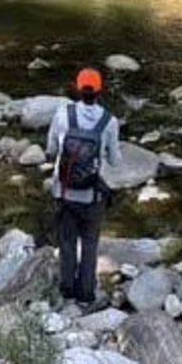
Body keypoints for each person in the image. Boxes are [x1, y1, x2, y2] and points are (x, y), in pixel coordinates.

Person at [46, 67, 122, 311]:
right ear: (100, 91)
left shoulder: (62, 114)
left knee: (67, 241)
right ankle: (86, 295)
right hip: (92, 196)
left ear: (78, 89)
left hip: (65, 192)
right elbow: (115, 161)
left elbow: (50, 149)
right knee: (90, 243)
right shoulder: (109, 121)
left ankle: (67, 290)